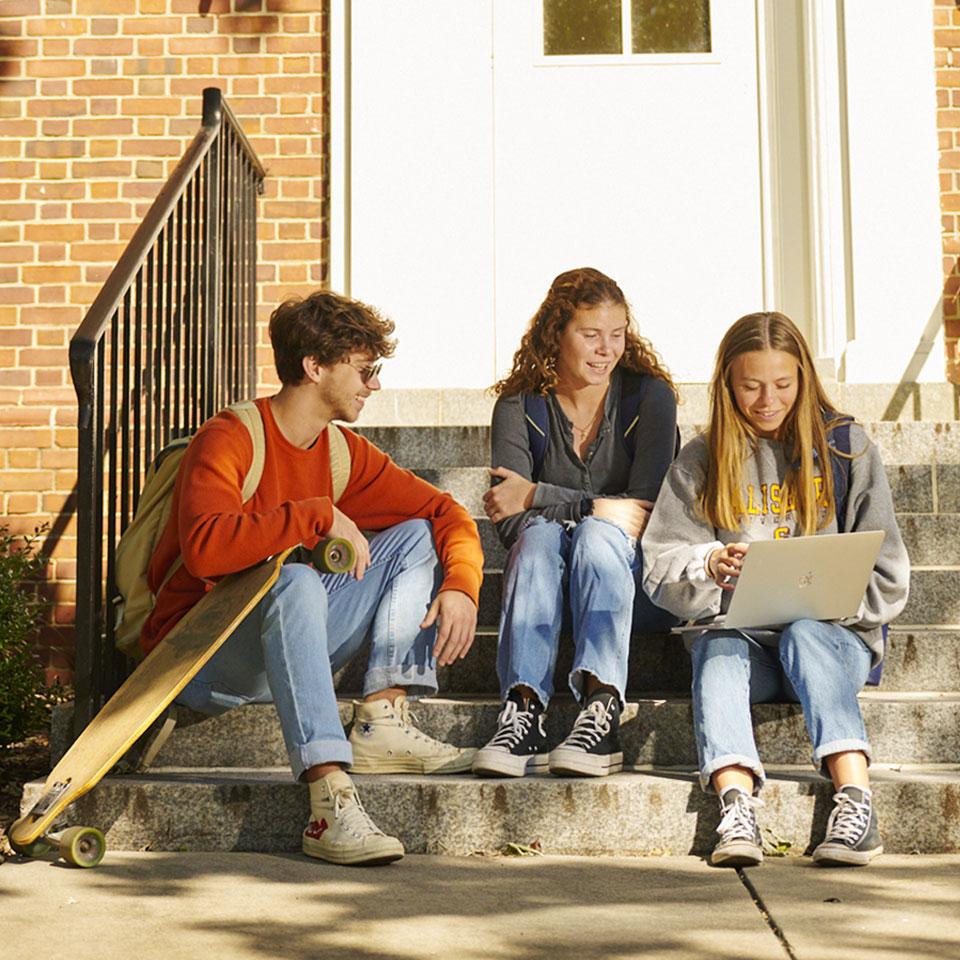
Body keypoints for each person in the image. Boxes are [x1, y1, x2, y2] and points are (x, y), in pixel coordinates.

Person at [141, 289, 483, 866]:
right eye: (364, 368)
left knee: (416, 536)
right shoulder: (229, 438)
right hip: (201, 655)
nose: (373, 385)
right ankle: (328, 800)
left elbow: (444, 510)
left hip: (284, 646)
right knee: (296, 583)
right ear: (314, 366)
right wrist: (317, 515)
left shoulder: (341, 452)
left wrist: (461, 586)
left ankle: (381, 715)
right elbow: (205, 551)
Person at [642, 311, 909, 868]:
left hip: (832, 645)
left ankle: (855, 798)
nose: (767, 400)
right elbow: (659, 565)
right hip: (750, 648)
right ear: (726, 384)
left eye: (782, 385)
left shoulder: (846, 449)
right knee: (717, 646)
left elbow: (888, 571)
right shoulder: (701, 459)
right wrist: (709, 563)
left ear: (803, 379)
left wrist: (835, 602)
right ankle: (736, 805)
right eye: (750, 386)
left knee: (807, 633)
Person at [473, 267, 678, 779]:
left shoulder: (649, 398)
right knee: (540, 536)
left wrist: (541, 494)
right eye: (590, 335)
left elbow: (645, 513)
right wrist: (595, 505)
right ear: (556, 333)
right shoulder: (520, 406)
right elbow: (507, 519)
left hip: (626, 578)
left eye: (617, 334)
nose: (606, 349)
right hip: (543, 575)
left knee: (596, 535)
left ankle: (601, 708)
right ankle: (523, 711)